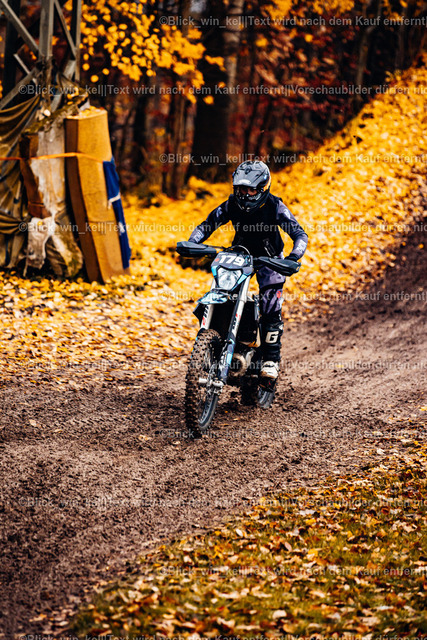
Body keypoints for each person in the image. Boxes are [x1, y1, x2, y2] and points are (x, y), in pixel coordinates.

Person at [188, 159, 308, 381]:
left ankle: (271, 360)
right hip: (239, 255)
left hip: (270, 259)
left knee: (270, 302)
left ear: (262, 188)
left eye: (251, 189)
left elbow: (299, 234)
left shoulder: (275, 206)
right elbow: (207, 225)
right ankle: (216, 343)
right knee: (223, 295)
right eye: (241, 189)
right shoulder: (231, 204)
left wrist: (293, 258)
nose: (245, 194)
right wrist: (192, 242)